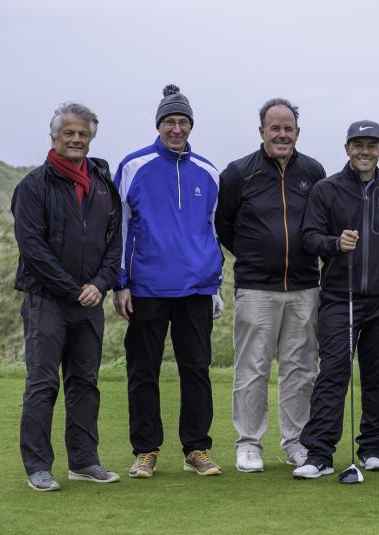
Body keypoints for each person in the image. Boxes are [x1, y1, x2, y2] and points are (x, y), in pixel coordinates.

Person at [113, 85, 224, 478]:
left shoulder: (209, 171)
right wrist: (120, 283)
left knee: (196, 368)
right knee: (143, 370)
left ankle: (196, 448)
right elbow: (122, 228)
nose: (176, 129)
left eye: (183, 122)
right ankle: (145, 450)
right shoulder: (133, 166)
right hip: (146, 287)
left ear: (191, 125)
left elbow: (212, 230)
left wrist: (217, 285)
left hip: (196, 287)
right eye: (169, 122)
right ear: (158, 125)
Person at [293, 120, 379, 479]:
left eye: (371, 145)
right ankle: (319, 453)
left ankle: (372, 447)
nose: (365, 151)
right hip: (340, 295)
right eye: (358, 144)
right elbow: (309, 238)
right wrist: (334, 244)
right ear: (347, 149)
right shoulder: (326, 190)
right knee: (333, 372)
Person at [12, 102, 122, 491]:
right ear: (55, 136)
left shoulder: (102, 183)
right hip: (47, 300)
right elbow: (33, 248)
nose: (76, 139)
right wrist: (73, 289)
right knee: (43, 384)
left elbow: (114, 242)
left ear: (91, 138)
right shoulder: (33, 186)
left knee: (85, 383)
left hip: (90, 301)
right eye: (69, 133)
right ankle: (39, 467)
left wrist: (100, 283)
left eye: (83, 134)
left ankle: (84, 461)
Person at [216, 98, 326, 472]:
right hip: (256, 287)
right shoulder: (238, 173)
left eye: (288, 128)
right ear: (261, 130)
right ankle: (249, 443)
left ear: (297, 132)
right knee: (253, 368)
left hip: (304, 285)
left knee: (300, 367)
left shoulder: (312, 171)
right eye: (274, 127)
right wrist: (254, 255)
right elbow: (225, 226)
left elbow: (320, 223)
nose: (282, 134)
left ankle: (296, 441)